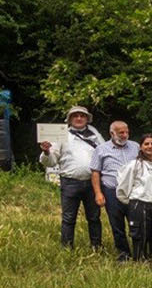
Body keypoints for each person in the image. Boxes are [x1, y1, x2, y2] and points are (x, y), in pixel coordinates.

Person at [39, 105, 104, 249]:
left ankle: (97, 247)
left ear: (87, 118)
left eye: (82, 116)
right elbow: (52, 160)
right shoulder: (62, 135)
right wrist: (46, 152)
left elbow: (104, 153)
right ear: (69, 119)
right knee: (68, 218)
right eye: (75, 116)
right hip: (70, 182)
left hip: (92, 183)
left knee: (94, 217)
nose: (79, 118)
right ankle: (67, 248)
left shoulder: (95, 134)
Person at [90, 120, 138, 261]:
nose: (125, 135)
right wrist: (98, 193)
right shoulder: (101, 149)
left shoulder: (136, 147)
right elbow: (95, 172)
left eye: (127, 132)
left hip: (133, 191)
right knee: (117, 225)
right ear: (112, 133)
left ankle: (139, 252)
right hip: (112, 191)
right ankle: (124, 254)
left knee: (136, 224)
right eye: (121, 132)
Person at [115, 134, 152, 261]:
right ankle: (139, 261)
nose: (150, 146)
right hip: (140, 203)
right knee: (140, 235)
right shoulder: (135, 165)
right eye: (146, 144)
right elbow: (123, 185)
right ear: (141, 147)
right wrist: (132, 203)